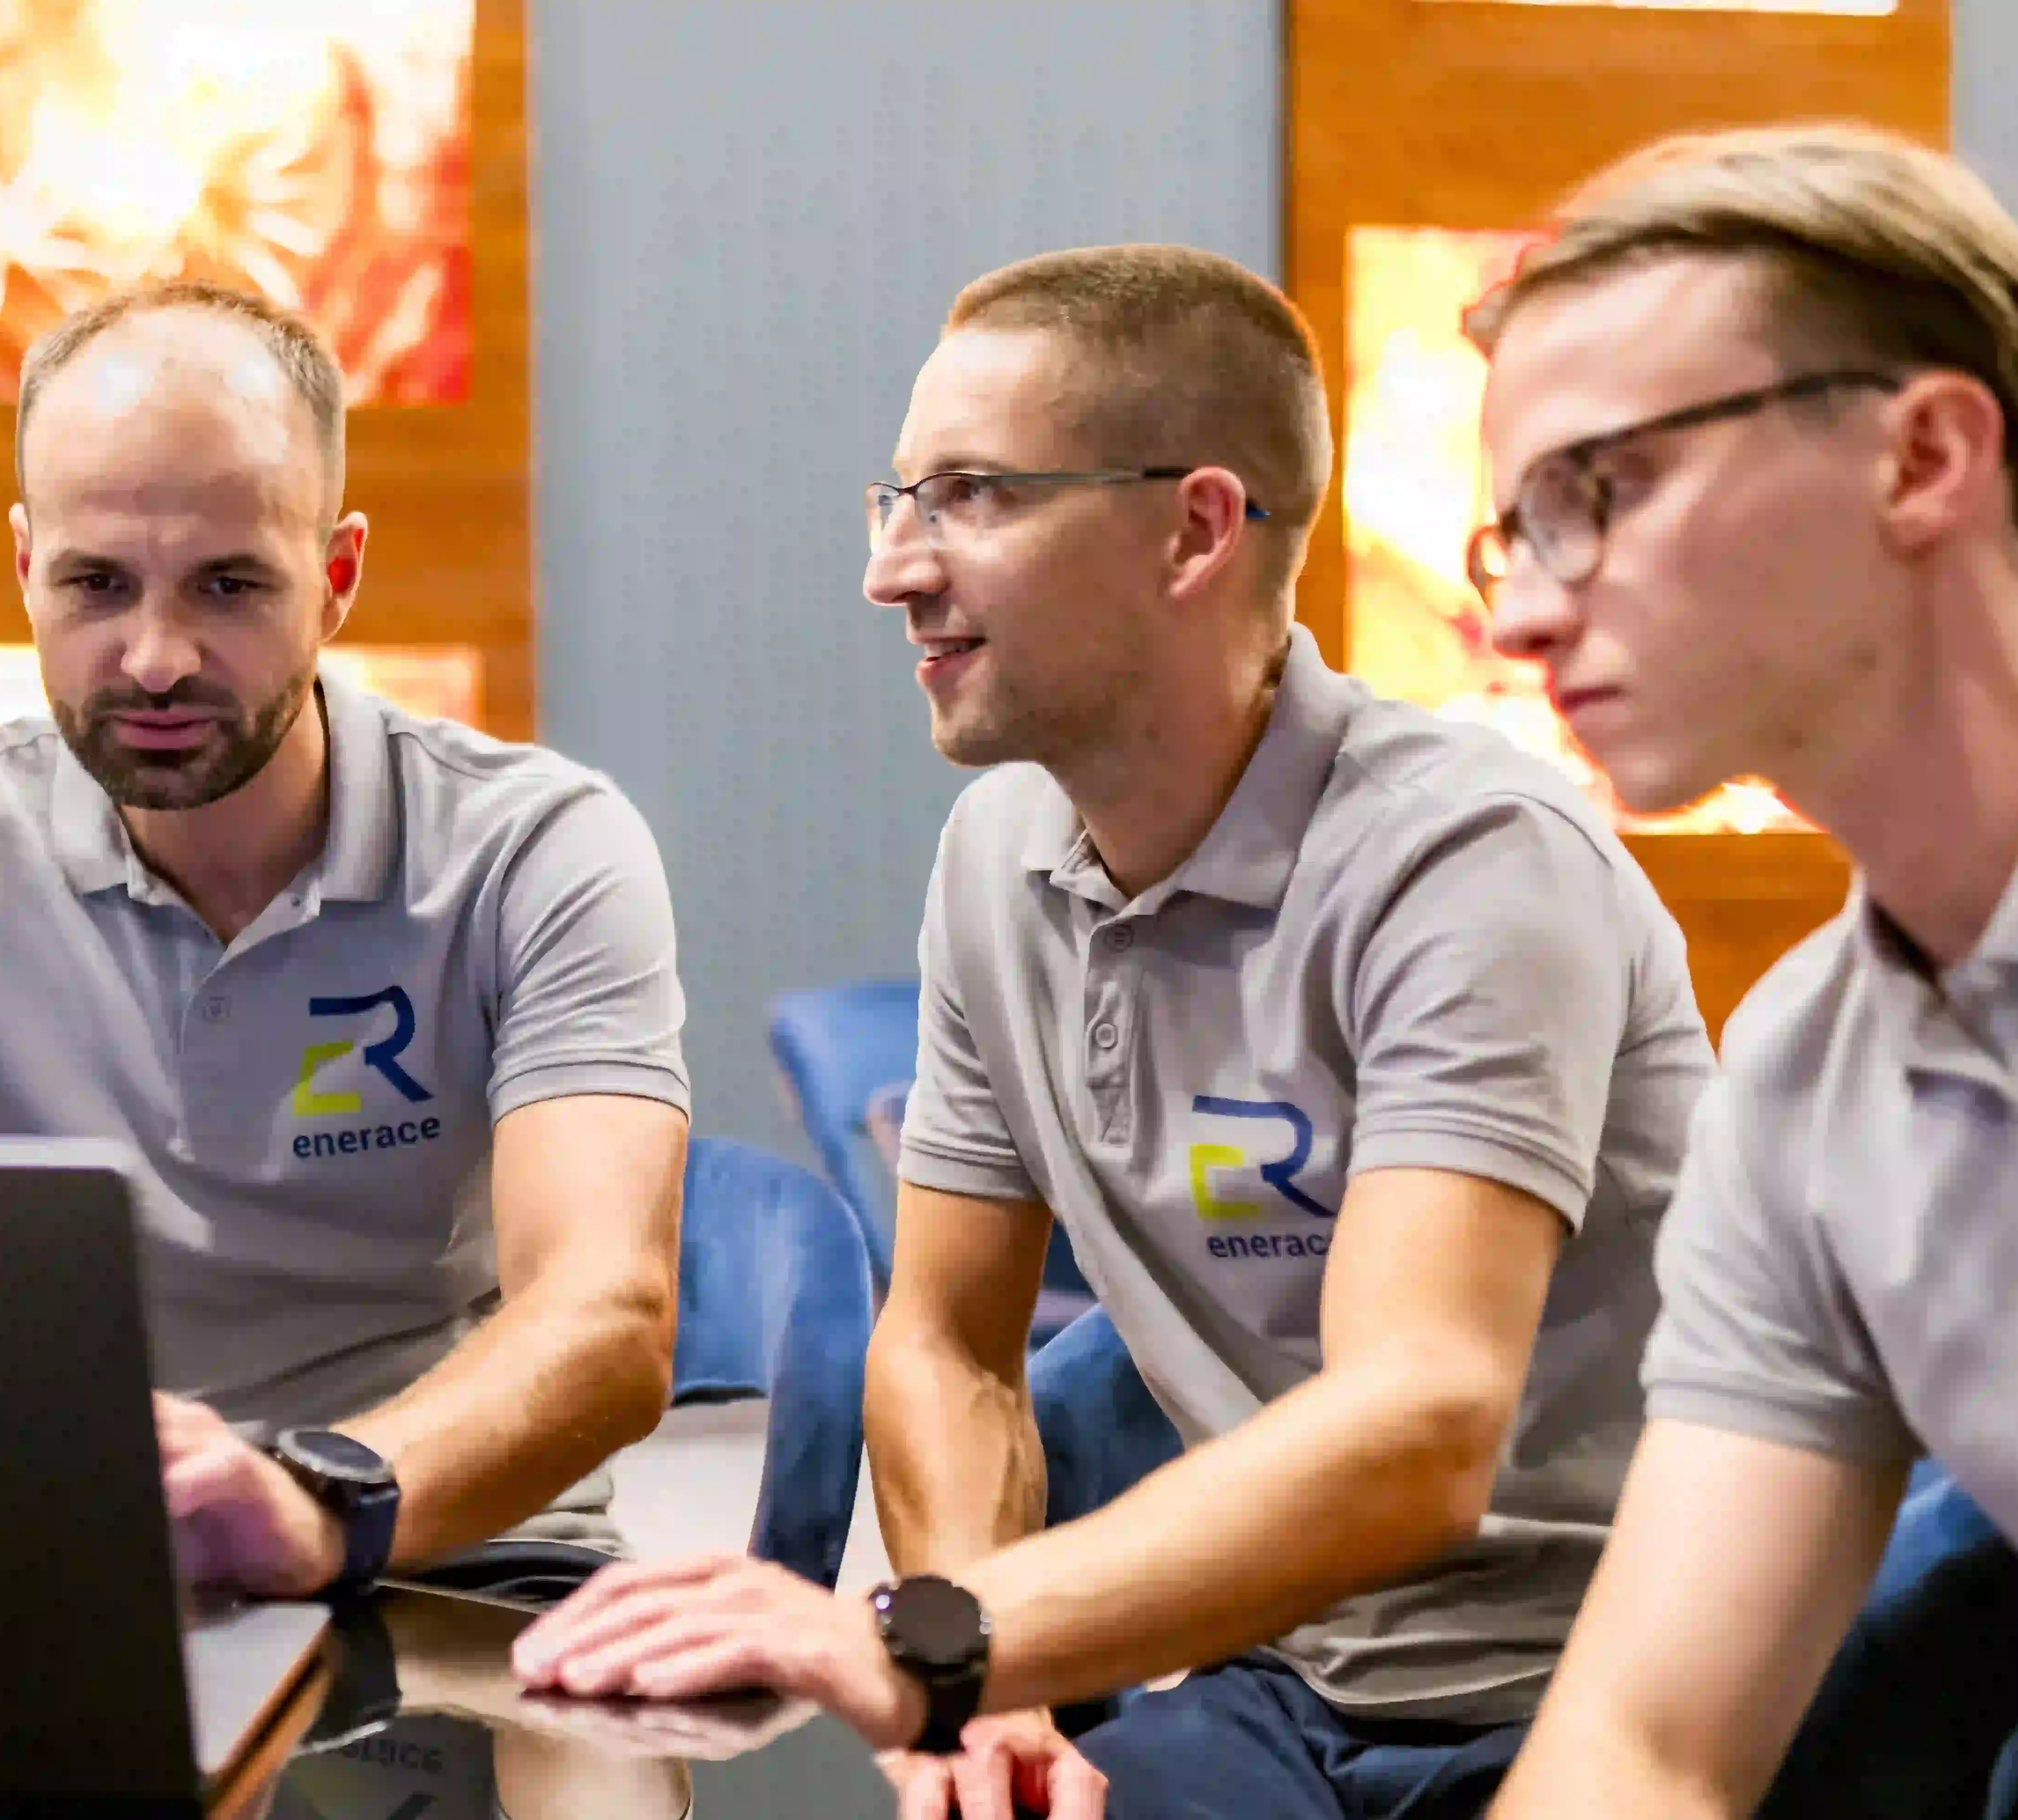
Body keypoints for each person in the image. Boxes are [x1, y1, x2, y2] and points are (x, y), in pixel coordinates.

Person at [513, 244, 1717, 1820]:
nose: (896, 569)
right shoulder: (994, 858)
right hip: (1282, 1685)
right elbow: (949, 1341)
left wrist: (944, 1642)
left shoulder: (1466, 860)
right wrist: (984, 1687)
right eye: (896, 501)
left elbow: (1421, 1420)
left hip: (1602, 1689)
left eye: (973, 497)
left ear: (1194, 528)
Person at [0, 281, 691, 1603]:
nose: (155, 656)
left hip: (456, 1555)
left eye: (229, 585)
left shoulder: (537, 849)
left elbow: (607, 1326)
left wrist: (314, 1505)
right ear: (26, 570)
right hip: (102, 1556)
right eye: (96, 585)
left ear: (338, 578)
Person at [1471, 123, 2018, 1820]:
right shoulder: (1802, 1082)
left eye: (1599, 492)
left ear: (1922, 456)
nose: (1517, 619)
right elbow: (1651, 1744)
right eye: (1515, 536)